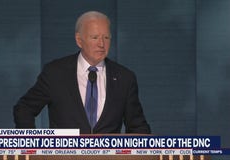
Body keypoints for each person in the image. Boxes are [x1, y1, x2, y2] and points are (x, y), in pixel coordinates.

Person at [13, 11, 151, 134]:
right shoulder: (55, 73)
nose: (101, 44)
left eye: (106, 38)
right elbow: (24, 109)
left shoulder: (124, 78)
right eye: (95, 37)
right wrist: (33, 145)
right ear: (79, 40)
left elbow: (138, 127)